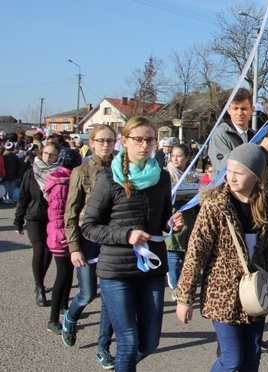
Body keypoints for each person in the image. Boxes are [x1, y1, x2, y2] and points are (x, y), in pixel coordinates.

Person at [81, 116, 184, 371]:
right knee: (127, 341)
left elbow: (161, 221)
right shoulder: (108, 179)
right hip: (117, 271)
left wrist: (173, 224)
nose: (145, 144)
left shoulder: (161, 178)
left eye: (150, 139)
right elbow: (89, 226)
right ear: (124, 141)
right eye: (138, 139)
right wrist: (126, 235)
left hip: (151, 268)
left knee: (149, 343)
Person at [175, 143, 268, 372]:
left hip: (254, 292)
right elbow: (195, 252)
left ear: (254, 175)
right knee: (232, 359)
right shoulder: (215, 205)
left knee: (252, 358)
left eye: (238, 172)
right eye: (229, 170)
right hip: (223, 294)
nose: (231, 177)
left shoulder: (267, 204)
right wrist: (185, 298)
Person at [62, 124, 117, 369]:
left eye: (110, 141)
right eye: (102, 141)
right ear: (92, 142)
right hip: (87, 238)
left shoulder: (120, 169)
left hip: (111, 240)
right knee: (87, 293)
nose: (106, 145)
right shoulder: (81, 172)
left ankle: (103, 346)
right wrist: (74, 246)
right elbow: (71, 213)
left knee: (109, 298)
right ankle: (70, 317)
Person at [15, 141, 61, 307]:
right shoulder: (31, 173)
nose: (48, 156)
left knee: (49, 251)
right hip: (34, 216)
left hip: (52, 216)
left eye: (53, 154)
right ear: (41, 154)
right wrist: (18, 221)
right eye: (46, 153)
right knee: (39, 250)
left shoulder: (60, 174)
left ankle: (41, 279)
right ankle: (39, 287)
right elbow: (23, 197)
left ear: (57, 156)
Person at [44, 148, 82, 334]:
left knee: (68, 273)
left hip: (64, 232)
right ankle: (53, 319)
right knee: (62, 275)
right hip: (61, 234)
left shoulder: (65, 179)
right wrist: (68, 234)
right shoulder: (62, 183)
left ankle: (63, 307)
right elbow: (61, 212)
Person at [208, 88, 268, 174]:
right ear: (229, 110)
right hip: (227, 186)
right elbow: (226, 167)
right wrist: (260, 150)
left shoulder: (255, 136)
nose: (239, 113)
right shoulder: (220, 134)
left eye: (244, 109)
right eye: (235, 108)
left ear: (252, 110)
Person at [166, 143, 200, 293]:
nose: (175, 159)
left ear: (187, 157)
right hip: (174, 215)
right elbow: (170, 193)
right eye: (173, 156)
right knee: (174, 252)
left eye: (179, 156)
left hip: (190, 217)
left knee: (185, 254)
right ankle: (175, 286)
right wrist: (185, 192)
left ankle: (183, 282)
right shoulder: (167, 173)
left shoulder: (192, 174)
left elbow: (198, 191)